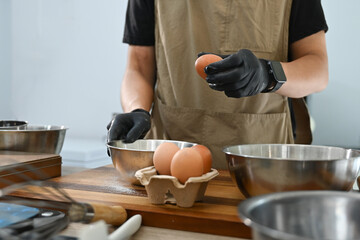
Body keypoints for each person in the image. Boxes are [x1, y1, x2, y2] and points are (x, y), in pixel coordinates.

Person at [107, 0, 329, 169]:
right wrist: (137, 110)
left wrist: (267, 74)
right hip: (171, 158)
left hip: (261, 163)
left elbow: (317, 70)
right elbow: (138, 66)